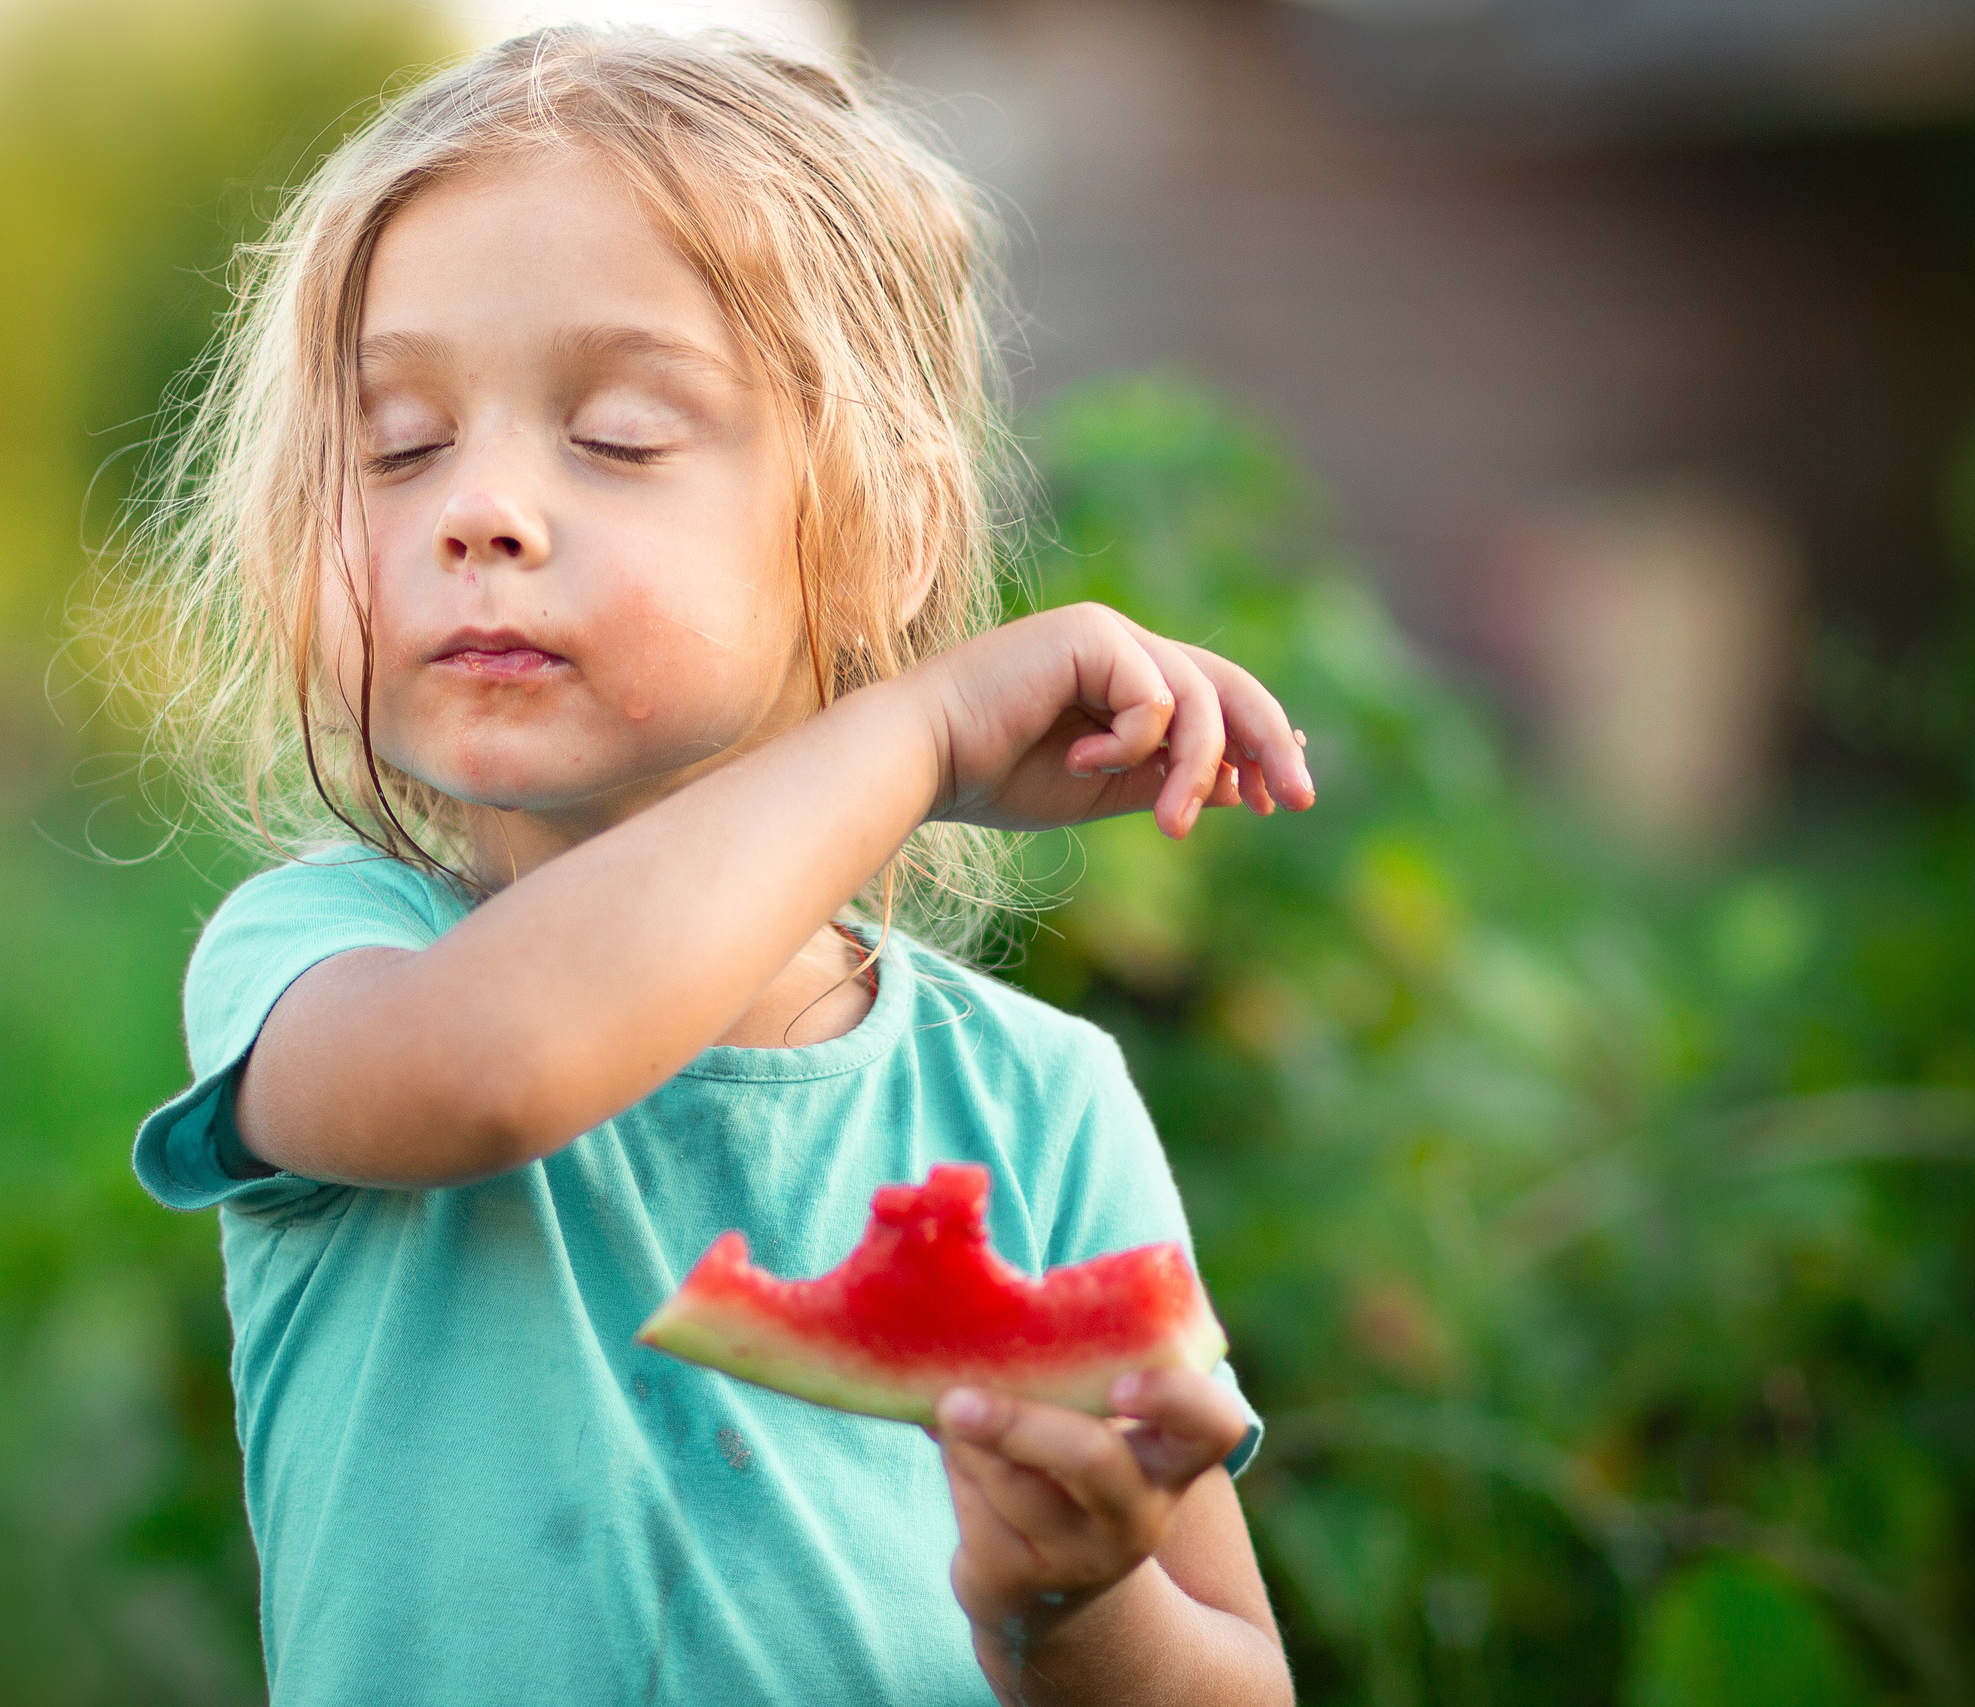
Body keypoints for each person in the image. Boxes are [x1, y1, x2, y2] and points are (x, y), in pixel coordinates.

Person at [116, 25, 1312, 1706]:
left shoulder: (1039, 1105)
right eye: (396, 444)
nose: (481, 510)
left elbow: (1241, 1686)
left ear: (886, 532)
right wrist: (917, 738)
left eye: (613, 434)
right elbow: (498, 1067)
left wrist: (1076, 1606)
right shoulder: (323, 963)